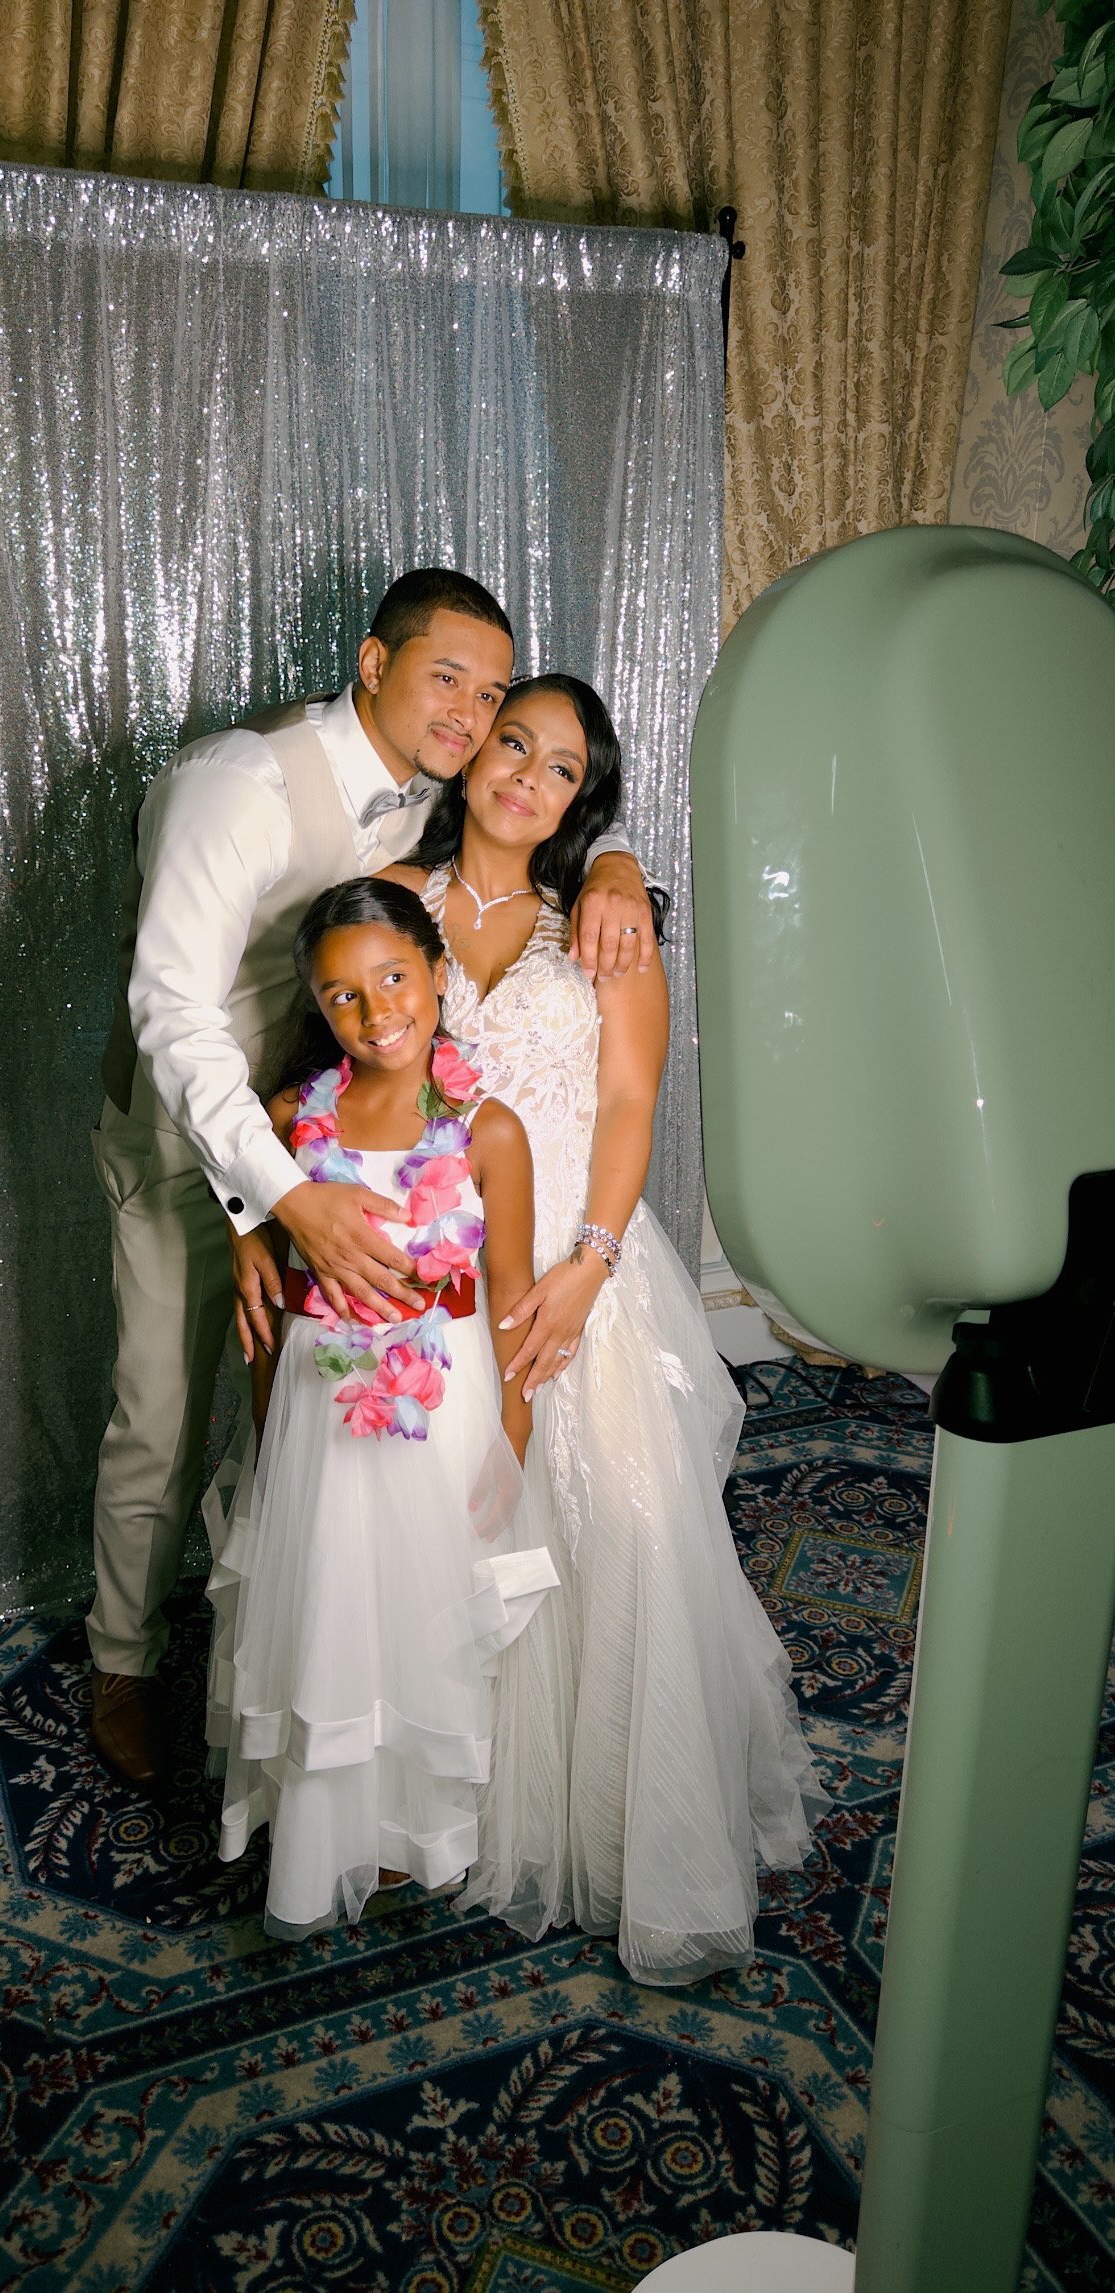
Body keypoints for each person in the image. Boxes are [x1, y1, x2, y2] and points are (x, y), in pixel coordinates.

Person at [86, 569, 656, 1789]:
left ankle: (343, 1652)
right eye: (447, 678)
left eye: (489, 691)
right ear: (372, 662)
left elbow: (548, 802)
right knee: (165, 1404)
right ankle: (125, 1661)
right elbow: (169, 1014)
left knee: (344, 1425)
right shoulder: (235, 786)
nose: (471, 713)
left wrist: (616, 870)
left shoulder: (445, 784)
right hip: (200, 1140)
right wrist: (270, 1202)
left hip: (355, 1144)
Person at [380, 674, 828, 1985]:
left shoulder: (604, 926)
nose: (526, 774)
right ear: (469, 759)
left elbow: (630, 1104)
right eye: (511, 743)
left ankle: (641, 1827)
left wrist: (585, 1263)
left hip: (583, 1263)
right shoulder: (391, 903)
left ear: (588, 796)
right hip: (441, 1270)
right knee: (448, 1537)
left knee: (621, 1525)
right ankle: (443, 1806)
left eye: (563, 766)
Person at [203, 879, 559, 1936]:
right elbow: (268, 1283)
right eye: (342, 996)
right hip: (321, 1401)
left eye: (395, 978)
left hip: (444, 1396)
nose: (375, 1010)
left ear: (438, 975)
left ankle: (416, 1823)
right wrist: (268, 1419)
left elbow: (507, 1292)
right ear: (317, 1008)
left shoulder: (489, 1129)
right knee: (330, 1604)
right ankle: (327, 1831)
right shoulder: (288, 1121)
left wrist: (516, 1430)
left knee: (426, 1613)